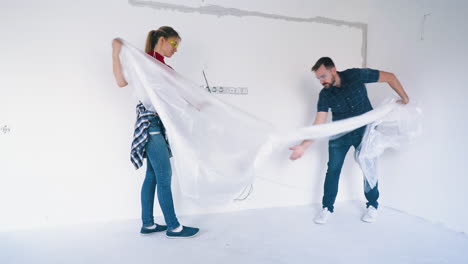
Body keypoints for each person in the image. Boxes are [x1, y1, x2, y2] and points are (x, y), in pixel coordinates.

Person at [289, 57, 409, 224]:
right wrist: (303, 146)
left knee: (369, 166)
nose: (321, 81)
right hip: (340, 134)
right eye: (318, 78)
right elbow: (319, 123)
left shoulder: (356, 75)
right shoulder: (325, 94)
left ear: (333, 70)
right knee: (333, 170)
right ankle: (327, 208)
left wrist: (404, 97)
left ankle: (372, 205)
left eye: (323, 76)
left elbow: (390, 77)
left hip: (365, 131)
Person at [112, 26, 199, 238]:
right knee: (163, 174)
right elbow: (121, 82)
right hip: (149, 125)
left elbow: (175, 93)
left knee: (152, 175)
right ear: (161, 40)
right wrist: (115, 53)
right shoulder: (143, 62)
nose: (176, 49)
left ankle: (148, 224)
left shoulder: (161, 67)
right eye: (174, 43)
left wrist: (197, 102)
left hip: (155, 125)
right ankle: (173, 226)